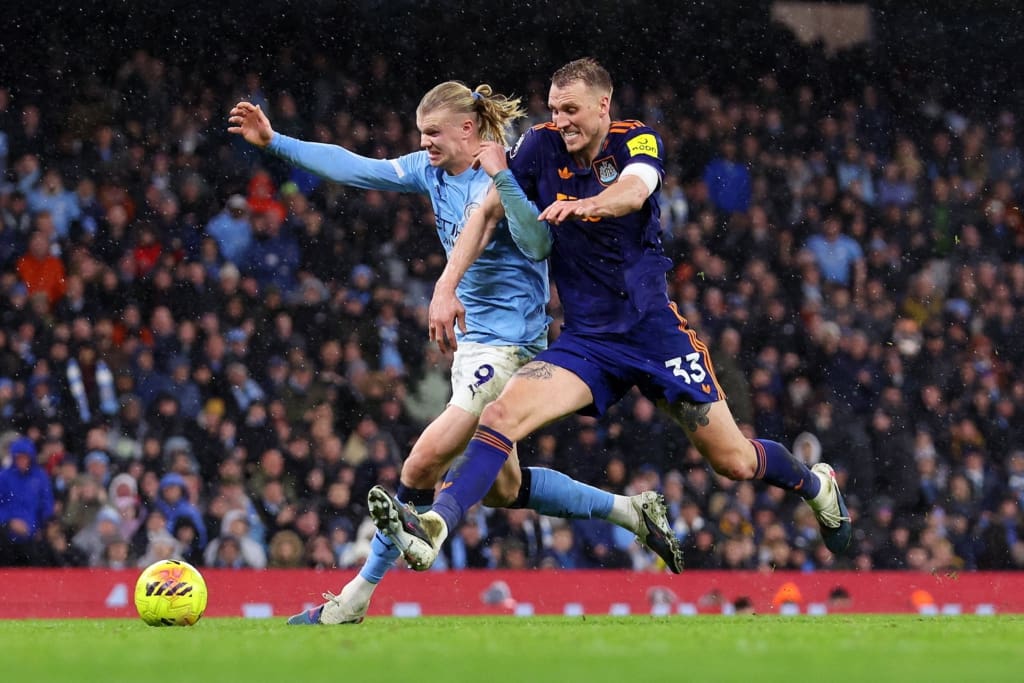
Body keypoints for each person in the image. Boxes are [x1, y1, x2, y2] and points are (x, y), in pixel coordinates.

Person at [228, 79, 682, 625]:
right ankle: (631, 510)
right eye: (421, 134)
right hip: (472, 348)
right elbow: (356, 167)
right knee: (506, 489)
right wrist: (275, 141)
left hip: (512, 347)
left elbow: (540, 243)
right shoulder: (430, 171)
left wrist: (503, 179)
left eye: (433, 134)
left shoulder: (512, 170)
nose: (424, 144)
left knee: (421, 463)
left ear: (468, 129)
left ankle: (354, 598)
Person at [370, 58, 851, 572]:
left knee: (733, 461)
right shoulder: (539, 146)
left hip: (653, 335)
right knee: (499, 415)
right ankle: (437, 523)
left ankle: (816, 485)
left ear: (603, 105)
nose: (561, 121)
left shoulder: (636, 140)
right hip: (589, 343)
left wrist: (589, 205)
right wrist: (445, 286)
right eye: (554, 110)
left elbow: (635, 190)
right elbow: (486, 213)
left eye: (571, 110)